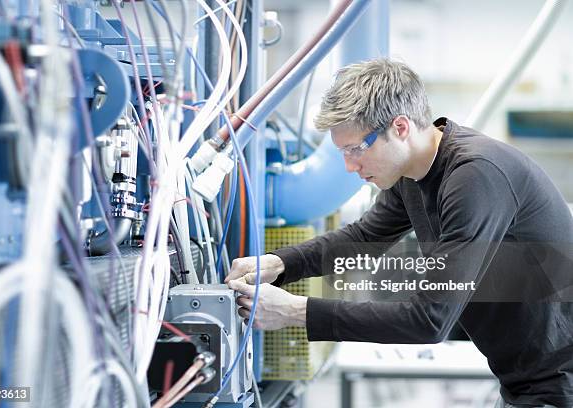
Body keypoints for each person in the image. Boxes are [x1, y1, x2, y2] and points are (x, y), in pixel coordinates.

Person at [226, 59, 573, 407]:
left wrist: (295, 311)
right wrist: (279, 263)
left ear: (401, 127)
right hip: (526, 378)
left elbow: (429, 319)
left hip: (559, 382)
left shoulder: (475, 176)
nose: (350, 166)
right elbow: (363, 238)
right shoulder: (411, 175)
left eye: (356, 149)